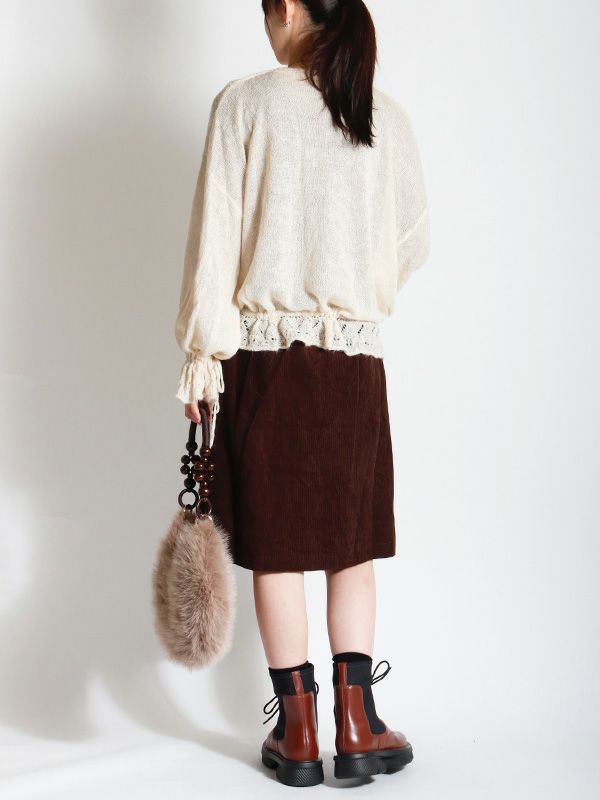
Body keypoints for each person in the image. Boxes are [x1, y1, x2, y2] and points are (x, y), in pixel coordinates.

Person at [173, 0, 430, 787]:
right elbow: (414, 239)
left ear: (286, 7)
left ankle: (298, 731)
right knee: (351, 546)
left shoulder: (246, 104)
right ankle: (358, 726)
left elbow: (216, 243)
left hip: (266, 361)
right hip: (353, 365)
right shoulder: (380, 110)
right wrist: (350, 280)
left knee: (277, 550)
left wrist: (201, 356)